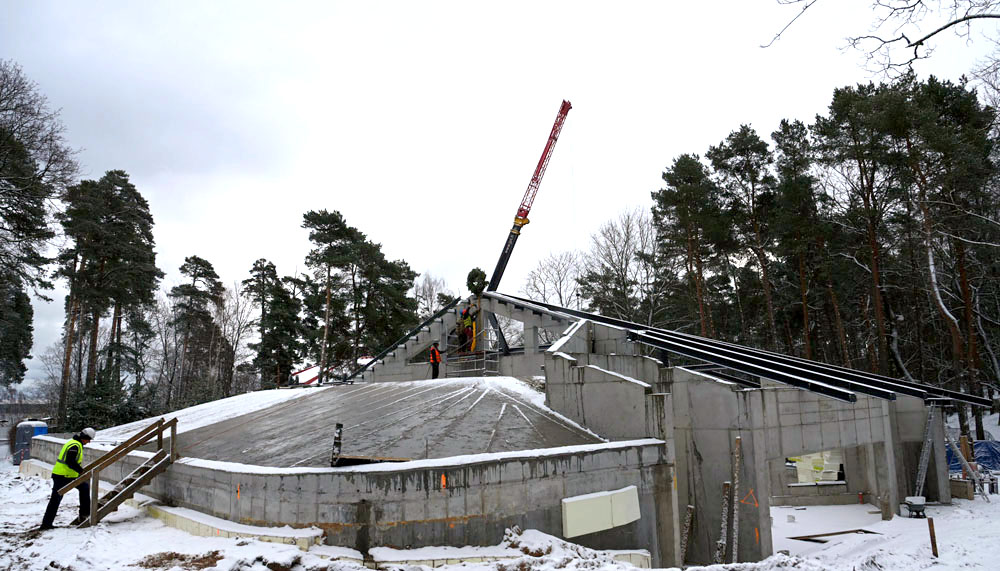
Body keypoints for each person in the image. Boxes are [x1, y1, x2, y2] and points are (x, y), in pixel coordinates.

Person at [39, 427, 95, 530]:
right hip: (63, 476)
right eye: (88, 439)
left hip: (67, 475)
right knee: (56, 499)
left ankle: (84, 513)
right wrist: (81, 471)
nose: (89, 442)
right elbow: (70, 461)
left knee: (84, 488)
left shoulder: (74, 443)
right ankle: (46, 524)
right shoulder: (75, 445)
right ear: (84, 438)